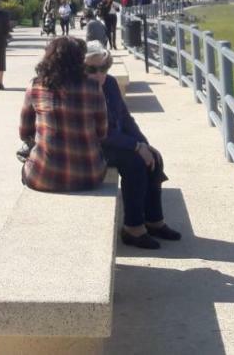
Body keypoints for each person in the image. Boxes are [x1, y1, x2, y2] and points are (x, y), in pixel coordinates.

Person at [85, 44, 180, 248]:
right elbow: (102, 133)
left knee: (154, 157)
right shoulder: (82, 89)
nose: (98, 74)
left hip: (115, 141)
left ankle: (154, 221)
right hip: (94, 146)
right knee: (135, 163)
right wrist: (136, 147)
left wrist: (143, 144)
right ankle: (133, 228)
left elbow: (125, 119)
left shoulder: (109, 84)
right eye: (91, 69)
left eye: (103, 68)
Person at [18, 37, 108, 192]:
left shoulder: (35, 86)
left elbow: (24, 132)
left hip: (43, 177)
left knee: (24, 156)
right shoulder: (93, 87)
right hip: (90, 176)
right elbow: (102, 132)